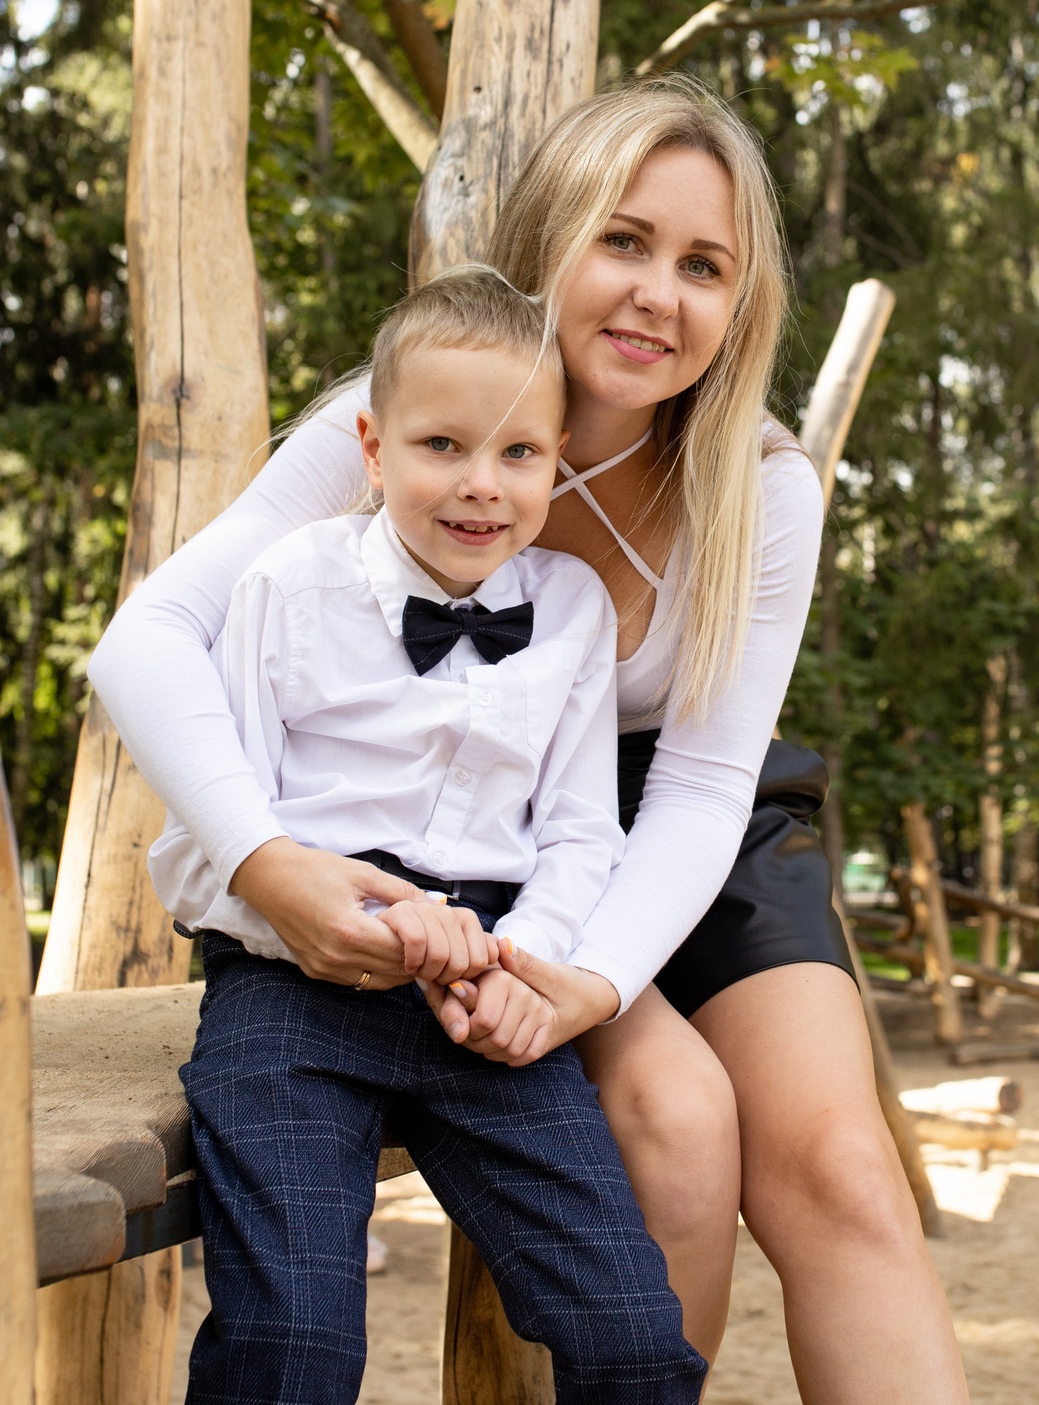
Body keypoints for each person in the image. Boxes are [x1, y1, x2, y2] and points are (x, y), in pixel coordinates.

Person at [91, 79, 969, 1401]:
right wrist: (270, 859)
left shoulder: (763, 483)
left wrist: (589, 977)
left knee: (843, 1167)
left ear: (743, 302)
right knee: (675, 1113)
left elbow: (706, 779)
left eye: (703, 265)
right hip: (465, 830)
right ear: (552, 234)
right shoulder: (403, 426)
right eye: (623, 239)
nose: (655, 292)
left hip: (690, 817)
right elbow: (150, 639)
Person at [149, 267, 704, 1405]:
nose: (480, 488)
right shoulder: (287, 584)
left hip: (490, 998)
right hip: (291, 987)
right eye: (441, 445)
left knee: (637, 1339)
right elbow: (202, 844)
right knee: (295, 1348)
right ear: (370, 446)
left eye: (518, 456)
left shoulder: (572, 612)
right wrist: (329, 915)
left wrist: (528, 969)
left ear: (559, 462)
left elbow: (580, 835)